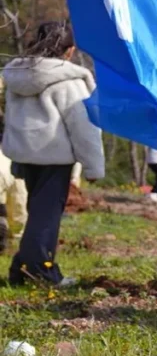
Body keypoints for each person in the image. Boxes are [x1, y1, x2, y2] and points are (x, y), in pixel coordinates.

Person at [2, 21, 104, 287]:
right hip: (53, 156)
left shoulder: (18, 75)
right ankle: (40, 271)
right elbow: (84, 127)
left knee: (36, 212)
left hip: (23, 154)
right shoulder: (68, 81)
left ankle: (20, 270)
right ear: (68, 51)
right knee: (46, 216)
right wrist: (93, 167)